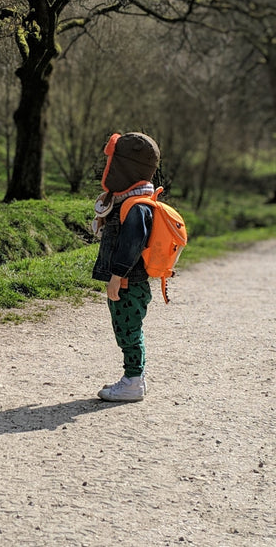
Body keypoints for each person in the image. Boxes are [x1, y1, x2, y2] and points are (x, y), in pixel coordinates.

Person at [92, 131, 160, 402]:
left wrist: (116, 276)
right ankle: (136, 377)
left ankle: (132, 381)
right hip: (129, 283)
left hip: (128, 283)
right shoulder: (129, 200)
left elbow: (131, 245)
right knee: (128, 328)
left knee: (127, 330)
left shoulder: (136, 207)